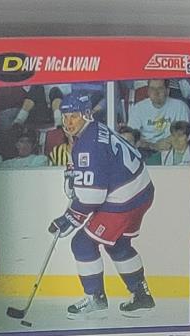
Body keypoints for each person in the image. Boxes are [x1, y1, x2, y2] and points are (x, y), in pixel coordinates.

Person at [48, 92, 157, 319]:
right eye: (65, 116)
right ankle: (142, 297)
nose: (68, 122)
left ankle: (95, 300)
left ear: (87, 114)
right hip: (141, 191)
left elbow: (92, 199)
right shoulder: (97, 129)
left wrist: (68, 218)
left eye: (74, 116)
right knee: (118, 244)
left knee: (82, 244)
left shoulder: (87, 146)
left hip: (124, 199)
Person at [126, 78, 190, 157]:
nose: (156, 93)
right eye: (152, 89)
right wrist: (154, 146)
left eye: (160, 88)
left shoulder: (181, 107)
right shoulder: (138, 108)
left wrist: (168, 142)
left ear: (167, 91)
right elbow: (131, 137)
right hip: (145, 150)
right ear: (148, 91)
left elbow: (184, 133)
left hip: (171, 149)